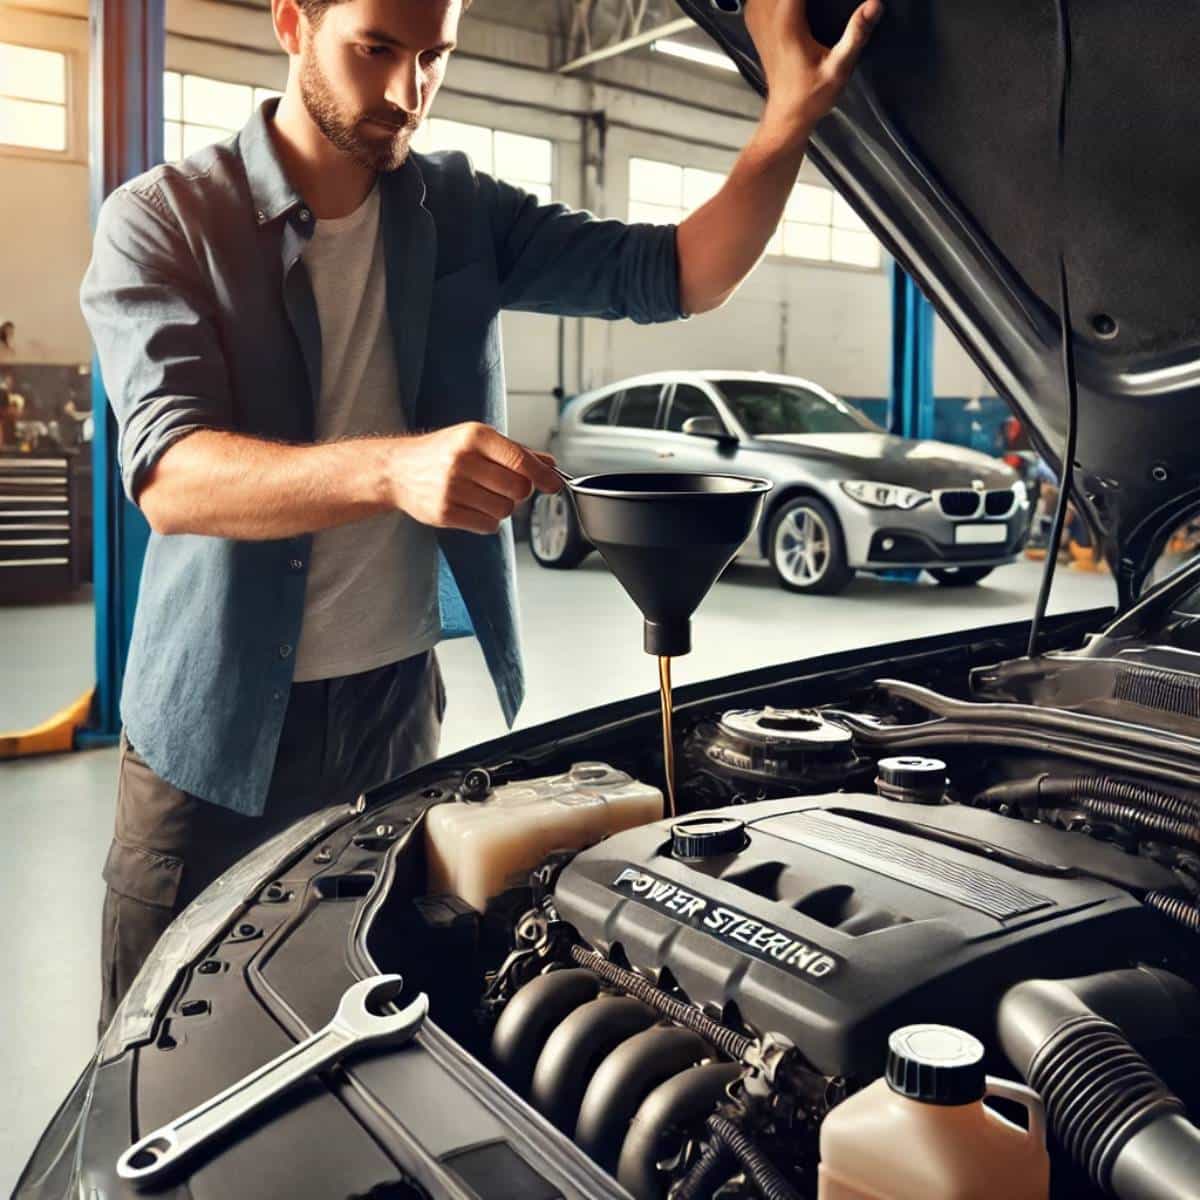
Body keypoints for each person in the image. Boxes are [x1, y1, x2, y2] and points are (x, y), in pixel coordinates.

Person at [80, 0, 882, 1032]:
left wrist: (786, 121)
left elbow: (678, 272)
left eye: (435, 57)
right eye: (376, 49)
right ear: (291, 23)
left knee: (359, 1015)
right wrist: (393, 471)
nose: (408, 93)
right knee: (155, 1036)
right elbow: (173, 476)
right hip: (210, 729)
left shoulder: (454, 211)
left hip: (394, 712)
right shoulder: (166, 216)